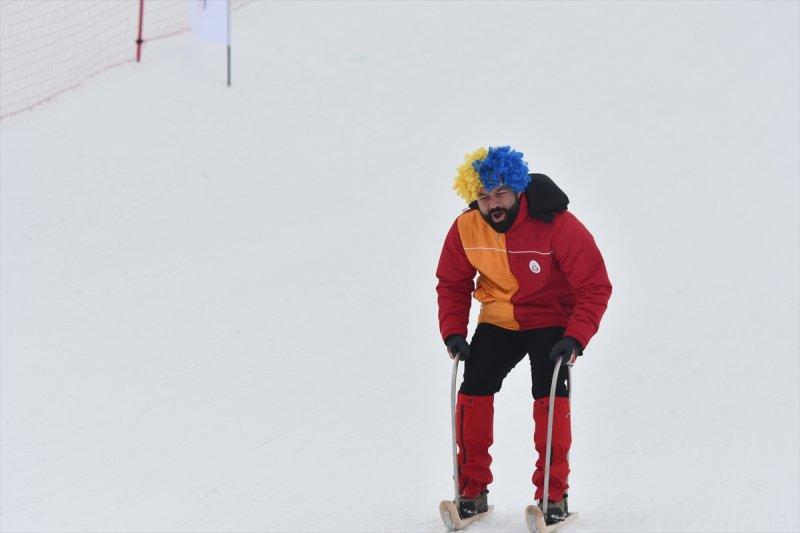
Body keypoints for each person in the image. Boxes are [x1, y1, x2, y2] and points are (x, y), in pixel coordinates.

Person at [436, 146, 612, 524]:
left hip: (550, 317)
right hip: (499, 318)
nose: (493, 203)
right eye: (484, 196)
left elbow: (595, 285)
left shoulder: (558, 225)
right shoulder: (466, 228)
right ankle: (472, 491)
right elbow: (451, 282)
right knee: (474, 385)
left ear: (517, 188)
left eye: (500, 192)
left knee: (548, 389)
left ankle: (553, 496)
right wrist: (453, 331)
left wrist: (576, 336)